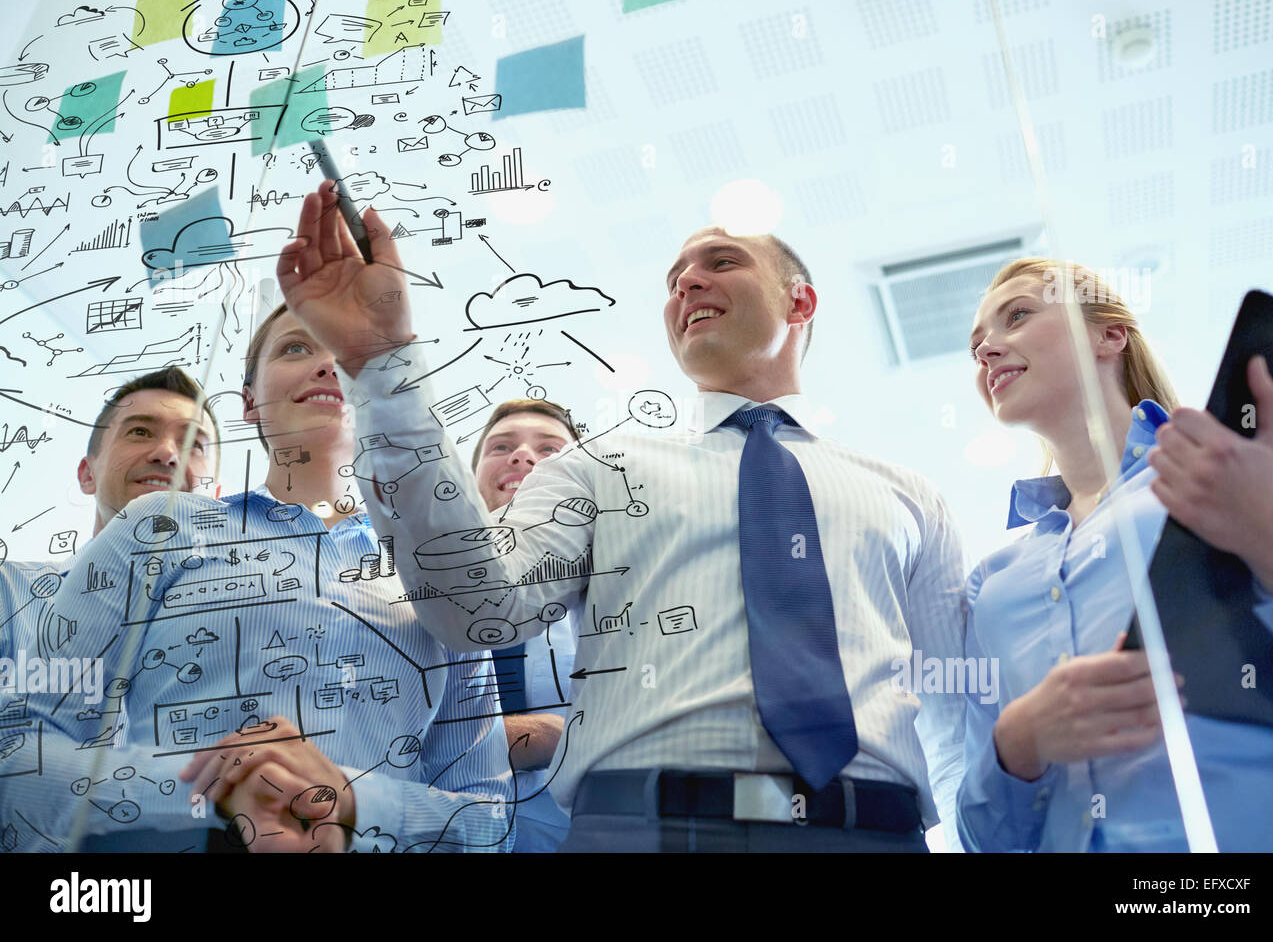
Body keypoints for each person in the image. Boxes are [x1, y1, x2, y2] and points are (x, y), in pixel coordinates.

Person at [274, 180, 968, 852]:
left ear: (800, 299)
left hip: (874, 830)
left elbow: (958, 702)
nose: (686, 284)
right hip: (637, 827)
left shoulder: (909, 495)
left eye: (720, 262)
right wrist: (382, 365)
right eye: (674, 279)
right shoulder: (595, 468)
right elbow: (476, 609)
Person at [0, 306, 512, 852]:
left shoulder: (444, 578)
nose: (327, 365)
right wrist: (218, 797)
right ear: (249, 401)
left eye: (351, 354)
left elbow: (491, 819)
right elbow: (18, 750)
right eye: (297, 347)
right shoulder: (155, 527)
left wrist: (353, 804)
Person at [959, 257, 1273, 851]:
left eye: (1016, 316)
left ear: (1110, 334)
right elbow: (984, 838)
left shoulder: (1228, 476)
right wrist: (1017, 739)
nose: (987, 350)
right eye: (976, 344)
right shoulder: (992, 585)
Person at [1, 368, 222, 667]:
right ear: (87, 474)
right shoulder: (8, 594)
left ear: (216, 498)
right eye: (140, 432)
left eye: (194, 444)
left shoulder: (238, 635)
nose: (167, 453)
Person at [470, 398, 581, 852]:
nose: (522, 456)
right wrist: (543, 735)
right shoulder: (399, 589)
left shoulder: (622, 595)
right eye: (501, 447)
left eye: (550, 449)